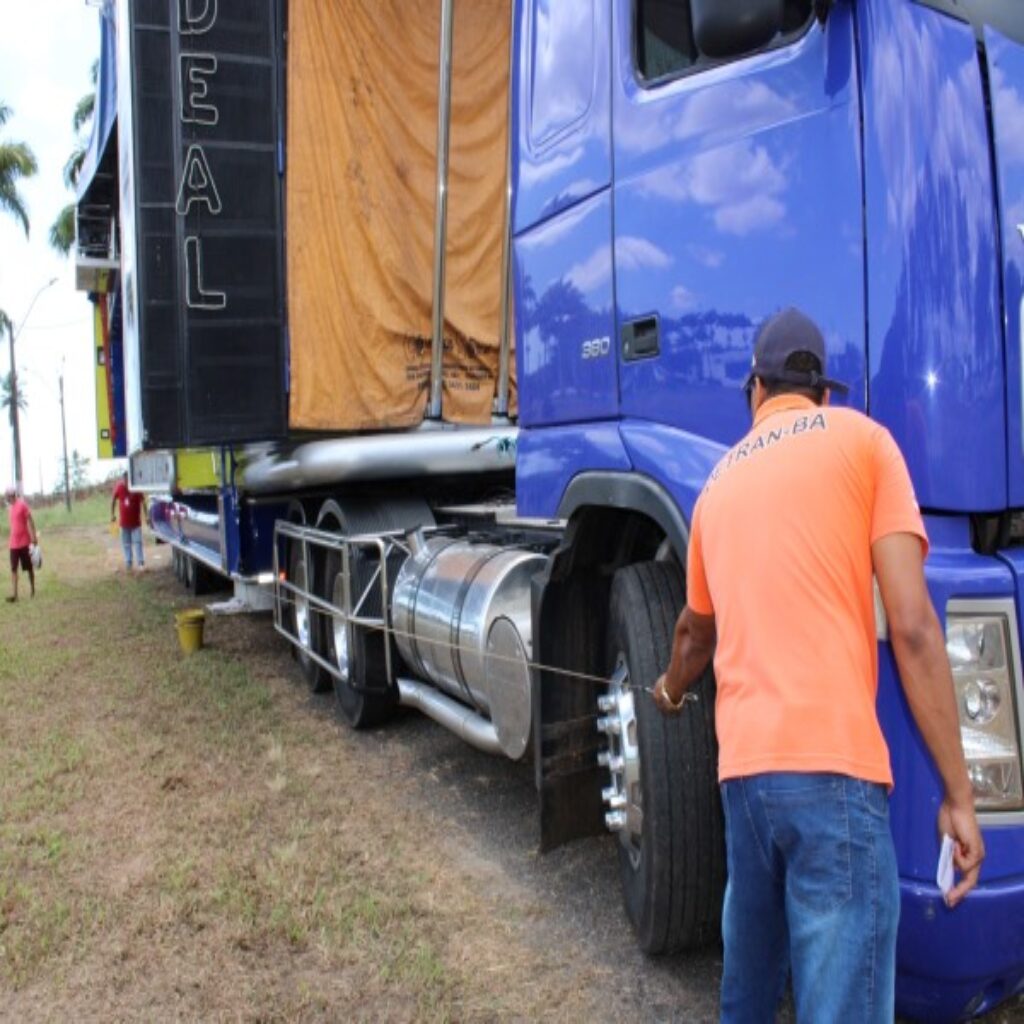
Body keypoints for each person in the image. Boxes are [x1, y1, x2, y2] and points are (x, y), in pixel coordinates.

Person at [651, 308, 984, 1023]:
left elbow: (692, 635)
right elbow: (914, 627)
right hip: (834, 776)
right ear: (823, 393)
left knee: (748, 991)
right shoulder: (863, 443)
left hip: (744, 781)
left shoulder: (716, 488)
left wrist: (671, 691)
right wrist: (959, 794)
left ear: (756, 391)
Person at [5, 486, 37, 602]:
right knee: (13, 569)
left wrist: (34, 537)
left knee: (29, 568)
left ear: (13, 495)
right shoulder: (10, 508)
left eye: (8, 495)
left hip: (24, 542)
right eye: (6, 496)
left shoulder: (22, 505)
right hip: (13, 544)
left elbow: (30, 520)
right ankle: (15, 595)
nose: (7, 498)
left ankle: (33, 589)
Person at [110, 471, 146, 571]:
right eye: (125, 479)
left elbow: (143, 502)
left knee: (138, 542)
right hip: (124, 523)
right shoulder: (119, 487)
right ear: (123, 480)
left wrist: (146, 516)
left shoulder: (137, 488)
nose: (126, 482)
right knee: (126, 543)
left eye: (128, 479)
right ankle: (128, 561)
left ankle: (140, 562)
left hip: (136, 523)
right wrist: (112, 514)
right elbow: (113, 500)